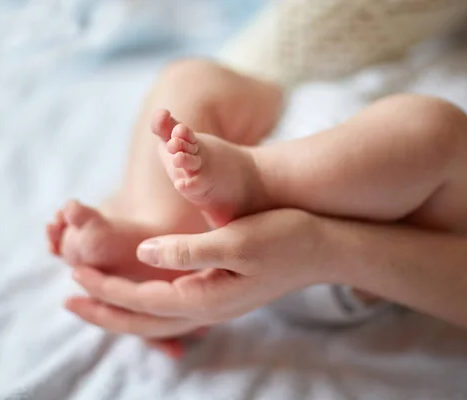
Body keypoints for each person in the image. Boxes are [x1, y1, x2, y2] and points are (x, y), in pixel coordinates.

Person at [46, 1, 467, 357]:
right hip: (295, 124)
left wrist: (318, 242)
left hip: (386, 240)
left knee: (435, 130)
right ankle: (158, 235)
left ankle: (250, 185)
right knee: (191, 77)